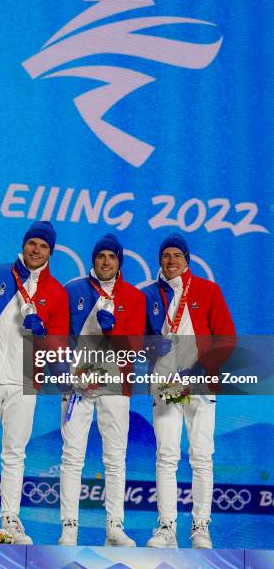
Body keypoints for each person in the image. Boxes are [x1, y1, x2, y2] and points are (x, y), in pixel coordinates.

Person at [0, 221, 69, 544]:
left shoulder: (56, 293)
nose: (36, 250)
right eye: (33, 243)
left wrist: (43, 335)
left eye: (43, 247)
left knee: (15, 452)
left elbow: (59, 346)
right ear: (24, 244)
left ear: (51, 252)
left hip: (25, 378)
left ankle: (10, 517)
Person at [143, 233, 236, 549]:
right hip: (165, 384)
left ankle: (200, 527)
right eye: (166, 255)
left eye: (176, 256)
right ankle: (167, 527)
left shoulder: (207, 291)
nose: (171, 261)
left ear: (187, 260)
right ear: (160, 260)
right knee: (166, 456)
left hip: (199, 382)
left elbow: (226, 339)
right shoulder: (149, 296)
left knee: (201, 456)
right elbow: (135, 343)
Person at [59, 234, 146, 546]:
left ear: (119, 262)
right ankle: (69, 526)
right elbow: (61, 337)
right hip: (78, 382)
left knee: (115, 457)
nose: (106, 261)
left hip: (115, 383)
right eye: (101, 256)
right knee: (72, 455)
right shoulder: (74, 291)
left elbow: (135, 347)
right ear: (93, 260)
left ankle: (114, 527)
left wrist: (115, 330)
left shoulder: (135, 298)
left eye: (111, 256)